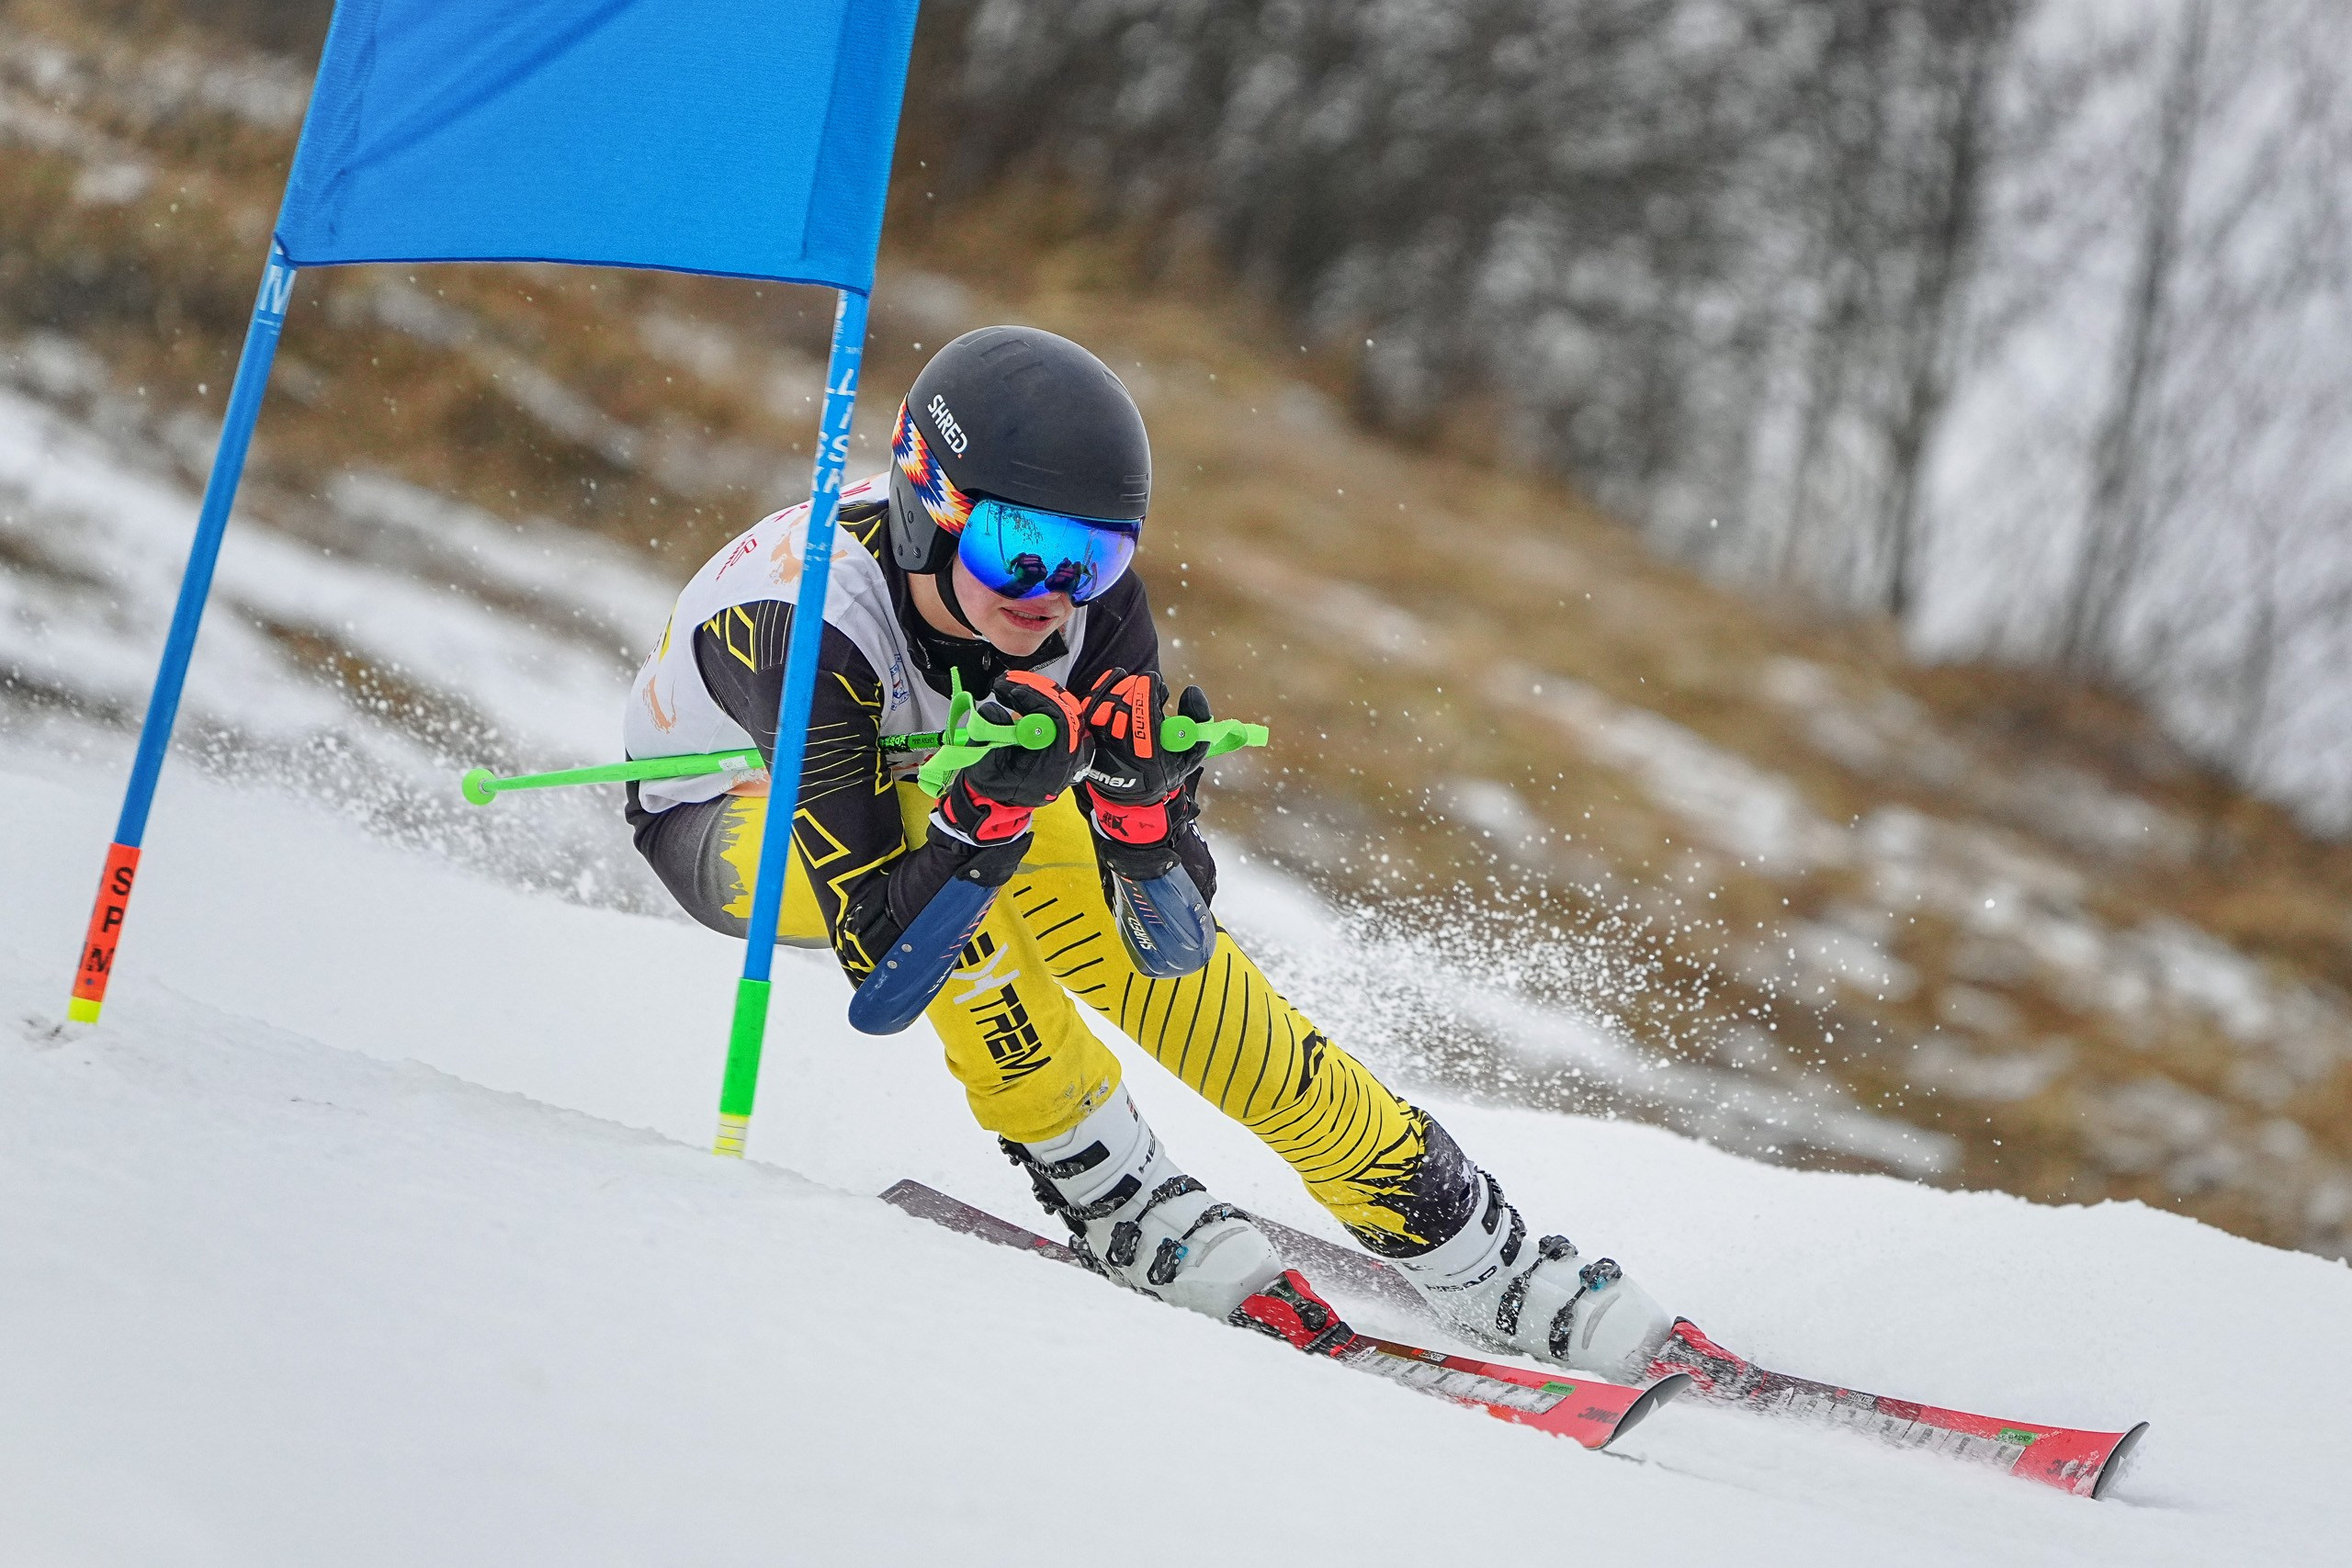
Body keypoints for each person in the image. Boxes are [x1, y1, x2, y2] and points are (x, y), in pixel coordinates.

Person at [622, 325, 1674, 1379]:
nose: (1048, 590)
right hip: (726, 825)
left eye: (1095, 554)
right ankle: (1102, 1180)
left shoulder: (1087, 612)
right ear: (924, 511)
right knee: (957, 834)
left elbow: (1171, 948)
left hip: (931, 801)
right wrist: (979, 818)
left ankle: (1442, 1217)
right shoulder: (808, 628)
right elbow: (881, 975)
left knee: (1062, 860)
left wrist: (1143, 823)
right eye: (1014, 545)